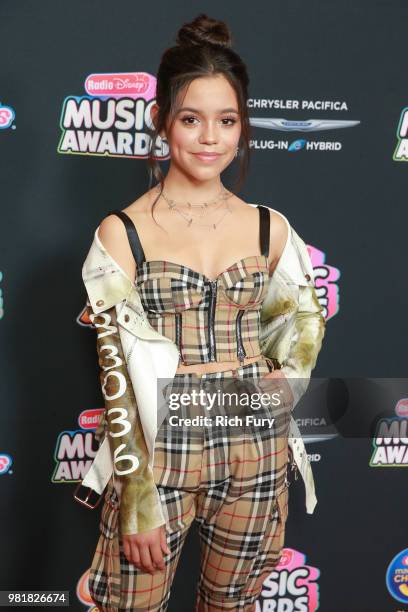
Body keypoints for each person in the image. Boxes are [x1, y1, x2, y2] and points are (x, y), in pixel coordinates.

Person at [83, 13, 326, 611]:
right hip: (161, 447)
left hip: (255, 449)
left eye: (227, 120)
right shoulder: (122, 234)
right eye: (191, 119)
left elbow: (304, 319)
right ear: (162, 121)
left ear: (242, 127)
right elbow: (116, 381)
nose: (210, 138)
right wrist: (137, 498)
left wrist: (289, 379)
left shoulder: (269, 227)